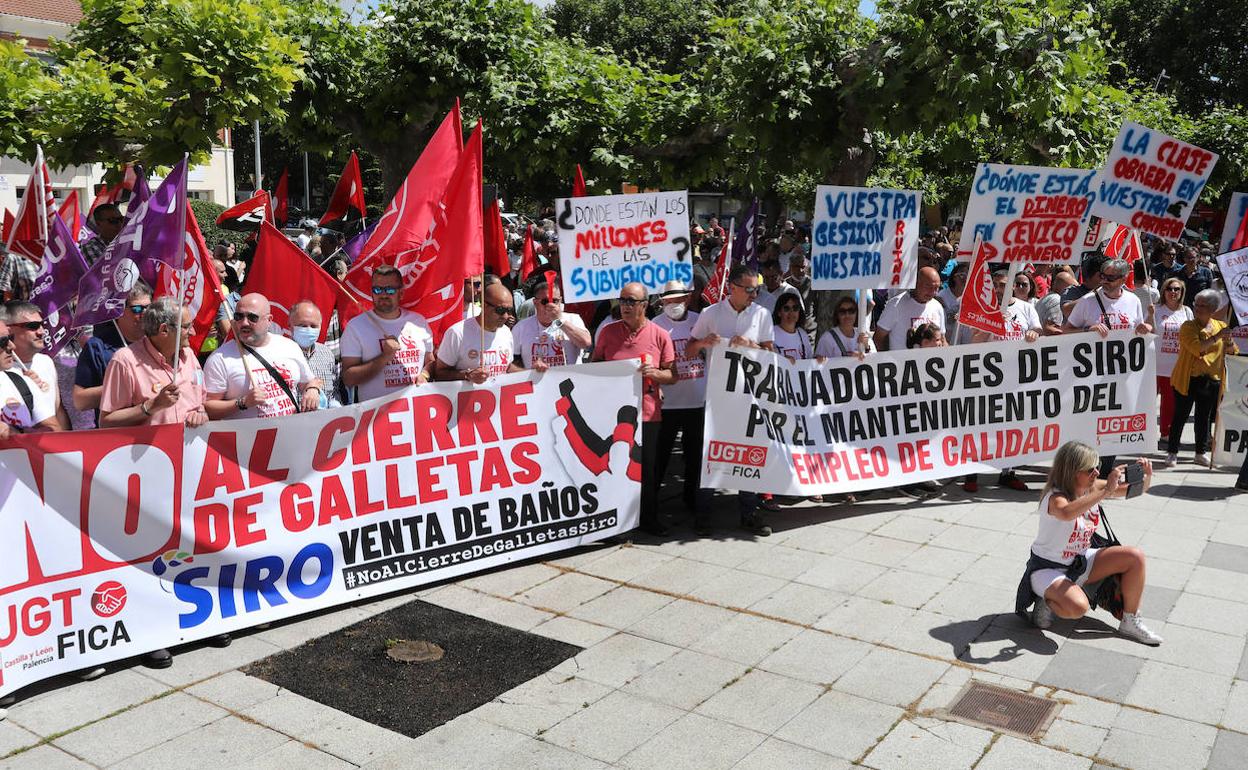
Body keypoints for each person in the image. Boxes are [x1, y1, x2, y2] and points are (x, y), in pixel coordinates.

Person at [1016, 441, 1162, 646]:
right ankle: (1045, 601)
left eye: (1098, 467)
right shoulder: (1055, 497)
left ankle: (1130, 620)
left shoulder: (1091, 487)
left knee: (1134, 557)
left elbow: (1134, 491)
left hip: (1081, 561)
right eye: (1090, 469)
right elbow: (1067, 513)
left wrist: (1147, 476)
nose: (1096, 472)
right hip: (1048, 568)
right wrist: (1105, 491)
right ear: (1072, 471)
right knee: (1077, 608)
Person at [689, 264, 777, 535]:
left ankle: (749, 513)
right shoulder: (710, 313)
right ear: (733, 288)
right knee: (711, 456)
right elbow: (689, 350)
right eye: (749, 289)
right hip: (716, 399)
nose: (754, 294)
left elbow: (770, 353)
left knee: (748, 455)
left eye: (757, 289)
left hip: (748, 397)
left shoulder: (761, 314)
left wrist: (751, 346)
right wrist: (705, 342)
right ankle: (703, 515)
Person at [592, 282, 677, 536]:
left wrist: (656, 373)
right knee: (613, 467)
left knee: (647, 468)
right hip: (615, 415)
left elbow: (673, 375)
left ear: (644, 305)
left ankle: (649, 519)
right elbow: (594, 367)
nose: (625, 306)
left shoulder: (660, 334)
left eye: (631, 301)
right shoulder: (607, 332)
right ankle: (614, 521)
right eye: (622, 300)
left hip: (649, 413)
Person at [965, 269, 1042, 493]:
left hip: (1016, 378)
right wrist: (992, 323)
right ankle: (972, 473)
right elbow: (974, 341)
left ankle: (1007, 472)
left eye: (1007, 285)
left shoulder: (1026, 307)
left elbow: (1036, 328)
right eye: (998, 285)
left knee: (1013, 426)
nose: (1002, 290)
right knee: (981, 426)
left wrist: (1034, 334)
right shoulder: (984, 308)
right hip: (988, 378)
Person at [652, 281, 713, 534]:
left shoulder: (701, 321)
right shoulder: (654, 325)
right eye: (667, 300)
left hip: (698, 401)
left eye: (677, 300)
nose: (672, 304)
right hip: (666, 404)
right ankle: (651, 505)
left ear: (687, 299)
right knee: (660, 458)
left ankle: (694, 502)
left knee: (695, 458)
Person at [202, 293, 323, 419]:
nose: (244, 323)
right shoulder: (220, 359)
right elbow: (207, 408)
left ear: (269, 320)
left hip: (289, 433)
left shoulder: (289, 346)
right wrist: (242, 403)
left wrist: (313, 390)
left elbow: (309, 382)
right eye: (238, 316)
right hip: (248, 437)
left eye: (252, 317)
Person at [99, 297, 207, 428]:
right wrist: (152, 406)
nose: (193, 332)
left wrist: (201, 414)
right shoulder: (125, 361)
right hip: (149, 448)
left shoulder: (189, 355)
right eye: (186, 327)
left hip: (190, 445)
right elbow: (106, 422)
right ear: (164, 330)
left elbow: (202, 401)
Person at [341, 264, 434, 401]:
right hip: (376, 415)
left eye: (390, 290)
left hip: (415, 410)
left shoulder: (418, 322)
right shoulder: (355, 327)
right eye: (377, 290)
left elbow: (430, 361)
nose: (383, 295)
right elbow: (348, 378)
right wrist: (385, 357)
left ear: (401, 293)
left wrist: (425, 374)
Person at [1166, 289, 1235, 468]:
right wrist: (1217, 337)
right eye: (1196, 304)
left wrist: (1227, 342)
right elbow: (1197, 348)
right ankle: (1172, 451)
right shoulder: (1188, 326)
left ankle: (1200, 452)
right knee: (1180, 416)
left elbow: (1232, 351)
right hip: (1187, 378)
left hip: (1211, 380)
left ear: (1213, 308)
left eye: (1203, 305)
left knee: (1203, 419)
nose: (1198, 308)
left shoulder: (1221, 326)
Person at [74, 283, 151, 426]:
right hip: (117, 436)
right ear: (118, 311)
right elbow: (80, 401)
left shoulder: (157, 340)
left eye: (149, 308)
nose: (145, 314)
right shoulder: (97, 347)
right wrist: (123, 387)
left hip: (156, 430)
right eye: (137, 309)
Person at [435, 281, 515, 383]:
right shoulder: (457, 333)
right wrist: (467, 375)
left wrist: (534, 372)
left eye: (509, 311)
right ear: (484, 305)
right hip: (465, 398)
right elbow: (439, 373)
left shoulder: (506, 332)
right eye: (500, 310)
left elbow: (507, 368)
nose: (505, 316)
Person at [5, 301, 67, 430]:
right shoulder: (3, 371)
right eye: (33, 326)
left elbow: (58, 410)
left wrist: (68, 443)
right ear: (8, 330)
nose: (42, 332)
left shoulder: (46, 362)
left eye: (42, 324)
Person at [511, 275, 591, 370]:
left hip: (570, 381)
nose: (551, 305)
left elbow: (586, 343)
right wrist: (529, 371)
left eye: (555, 301)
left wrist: (560, 321)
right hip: (537, 382)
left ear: (560, 301)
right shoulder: (521, 327)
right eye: (545, 302)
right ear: (535, 303)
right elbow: (513, 361)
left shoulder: (573, 319)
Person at [0, 311, 59, 439]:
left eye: (10, 339)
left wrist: (19, 434)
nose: (12, 346)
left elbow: (54, 430)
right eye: (3, 341)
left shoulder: (21, 381)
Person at [1154, 277, 1192, 439]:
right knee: (1147, 402)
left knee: (1170, 403)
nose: (1173, 292)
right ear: (1164, 291)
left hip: (1176, 366)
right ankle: (1142, 434)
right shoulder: (1155, 309)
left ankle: (1166, 433)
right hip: (1154, 364)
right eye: (1170, 289)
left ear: (1182, 292)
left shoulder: (1187, 312)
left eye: (1177, 289)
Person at [287, 301, 345, 407]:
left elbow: (334, 391)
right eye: (302, 325)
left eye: (313, 326)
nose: (308, 329)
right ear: (290, 326)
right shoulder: (281, 354)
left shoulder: (327, 353)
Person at [874, 266, 945, 352]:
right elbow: (879, 338)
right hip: (900, 363)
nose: (933, 292)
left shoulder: (937, 307)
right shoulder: (896, 305)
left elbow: (943, 340)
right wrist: (887, 360)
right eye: (928, 286)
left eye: (936, 288)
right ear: (916, 283)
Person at [816, 295, 873, 360]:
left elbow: (875, 362)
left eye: (851, 311)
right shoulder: (827, 338)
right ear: (837, 315)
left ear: (856, 313)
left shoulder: (862, 334)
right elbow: (819, 365)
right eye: (842, 312)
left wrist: (867, 347)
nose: (847, 315)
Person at [1035, 268, 1077, 335]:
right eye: (1071, 289)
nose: (1073, 292)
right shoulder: (1057, 301)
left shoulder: (1047, 297)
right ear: (1066, 289)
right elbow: (1050, 328)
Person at [771, 293, 813, 363]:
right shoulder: (771, 332)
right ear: (779, 312)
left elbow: (810, 360)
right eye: (786, 308)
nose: (791, 312)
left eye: (795, 308)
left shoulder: (803, 334)